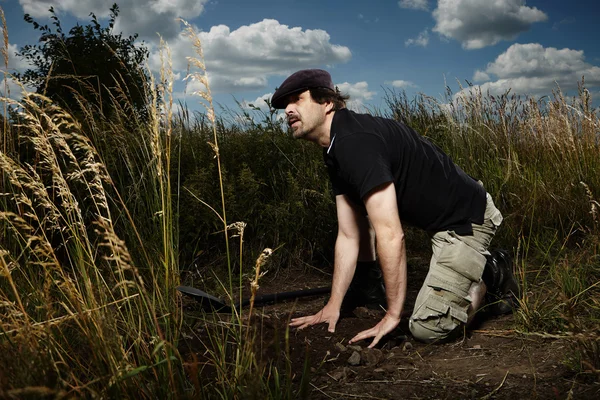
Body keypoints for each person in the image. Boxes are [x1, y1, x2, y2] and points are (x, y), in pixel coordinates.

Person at [272, 69, 519, 348]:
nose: (288, 110)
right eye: (285, 105)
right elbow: (350, 235)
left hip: (466, 220)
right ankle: (468, 272)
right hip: (439, 223)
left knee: (429, 328)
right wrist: (333, 306)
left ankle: (492, 271)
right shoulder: (336, 147)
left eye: (297, 100)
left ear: (327, 102)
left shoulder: (356, 142)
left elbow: (391, 235)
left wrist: (392, 315)